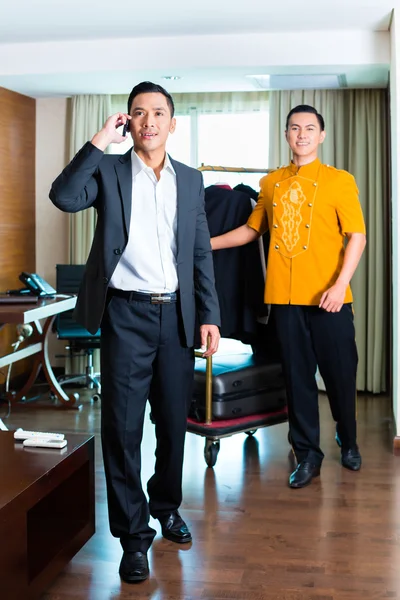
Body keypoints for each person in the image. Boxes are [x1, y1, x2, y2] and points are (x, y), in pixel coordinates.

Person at [50, 81, 220, 582]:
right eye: (138, 113)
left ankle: (166, 506)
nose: (149, 121)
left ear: (172, 122)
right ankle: (133, 536)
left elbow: (200, 252)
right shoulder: (107, 170)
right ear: (128, 121)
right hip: (124, 315)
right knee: (122, 431)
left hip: (177, 317)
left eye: (158, 112)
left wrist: (209, 313)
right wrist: (101, 140)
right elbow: (62, 196)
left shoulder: (190, 180)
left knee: (172, 424)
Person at [211, 105, 366, 489]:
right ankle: (307, 454)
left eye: (310, 128)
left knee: (341, 376)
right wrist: (205, 244)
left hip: (329, 299)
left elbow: (357, 237)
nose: (302, 135)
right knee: (297, 380)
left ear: (321, 135)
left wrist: (338, 284)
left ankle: (348, 440)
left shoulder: (339, 181)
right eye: (295, 128)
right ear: (286, 135)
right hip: (284, 298)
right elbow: (251, 230)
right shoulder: (272, 183)